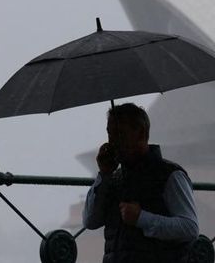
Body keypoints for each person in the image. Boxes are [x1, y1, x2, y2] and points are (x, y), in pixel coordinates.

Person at [83, 103, 199, 263]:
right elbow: (90, 220)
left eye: (120, 134)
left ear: (141, 133)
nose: (112, 142)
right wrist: (103, 175)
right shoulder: (114, 178)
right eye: (110, 133)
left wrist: (141, 218)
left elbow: (189, 228)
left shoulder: (169, 175)